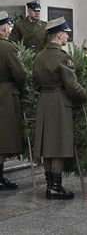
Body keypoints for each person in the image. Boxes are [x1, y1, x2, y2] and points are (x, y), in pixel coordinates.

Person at [32, 17, 87, 200]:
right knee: (58, 145)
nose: (67, 37)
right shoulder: (63, 57)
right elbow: (72, 86)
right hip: (60, 102)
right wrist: (84, 96)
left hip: (44, 102)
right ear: (59, 35)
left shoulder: (39, 56)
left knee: (48, 145)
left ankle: (50, 185)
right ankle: (55, 187)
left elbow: (34, 84)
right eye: (66, 34)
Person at [0, 10, 27, 190]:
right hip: (5, 95)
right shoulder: (8, 47)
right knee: (4, 137)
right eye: (7, 25)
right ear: (3, 29)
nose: (9, 28)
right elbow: (21, 74)